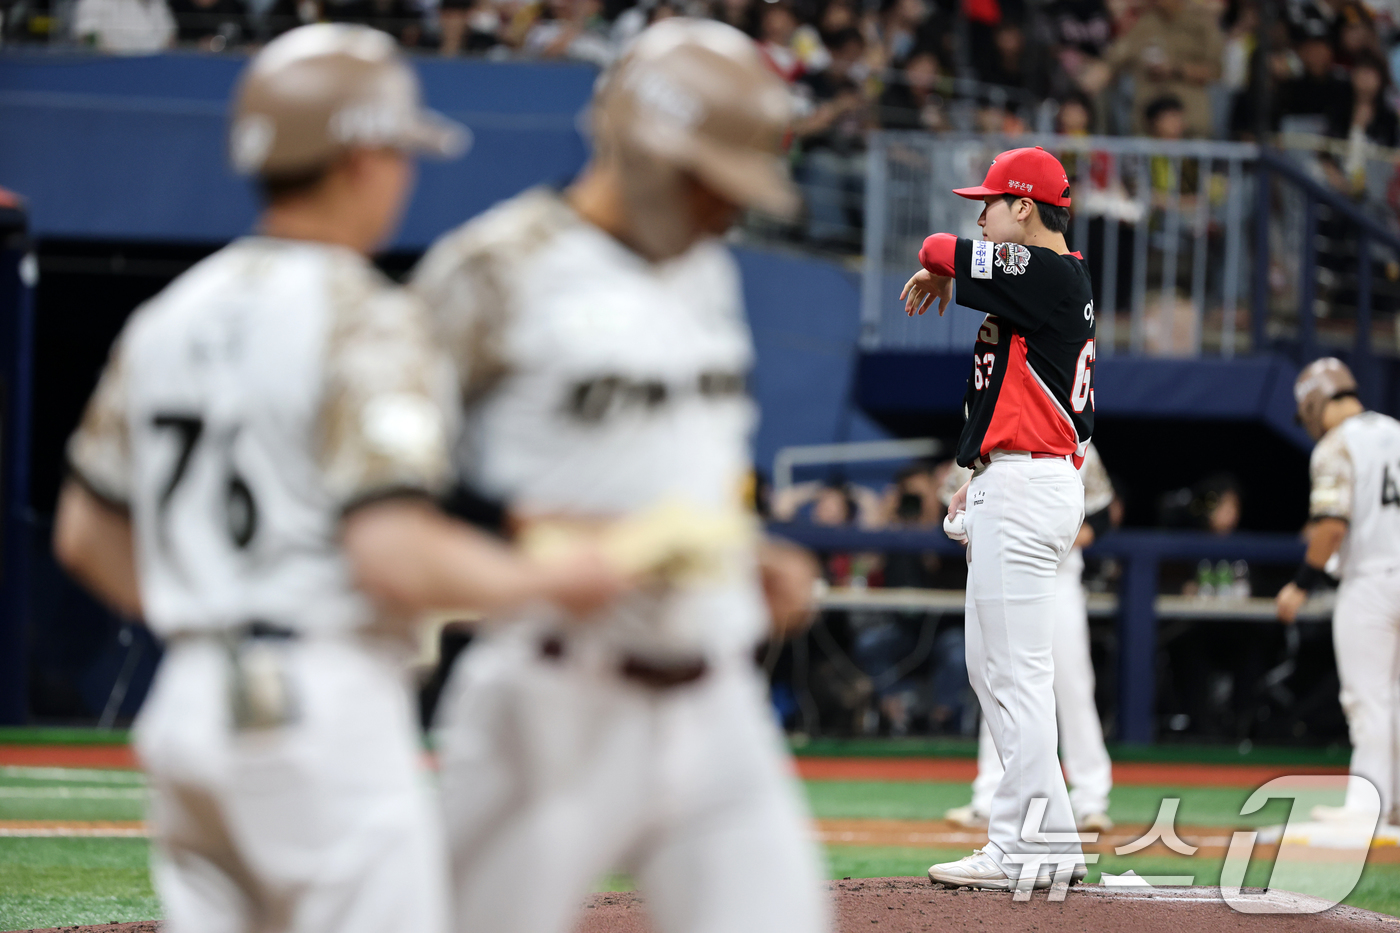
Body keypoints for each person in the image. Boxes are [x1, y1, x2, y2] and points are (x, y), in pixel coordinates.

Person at [52, 24, 622, 933]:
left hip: (190, 704)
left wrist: (217, 617)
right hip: (320, 706)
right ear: (360, 155)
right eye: (399, 151)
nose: (405, 172)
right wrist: (553, 580)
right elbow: (393, 554)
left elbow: (84, 533)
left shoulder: (170, 315)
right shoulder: (363, 315)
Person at [412, 18, 830, 933]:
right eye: (710, 183)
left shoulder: (706, 273)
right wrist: (536, 534)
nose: (729, 210)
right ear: (640, 149)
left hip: (716, 690)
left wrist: (741, 552)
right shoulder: (492, 269)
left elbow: (677, 465)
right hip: (553, 691)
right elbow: (390, 495)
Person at [901, 145, 1095, 892]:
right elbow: (1011, 388)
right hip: (1014, 478)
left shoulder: (1047, 270)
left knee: (1015, 674)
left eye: (991, 200)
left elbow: (936, 246)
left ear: (1025, 205)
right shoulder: (1039, 286)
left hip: (1031, 485)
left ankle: (1034, 844)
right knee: (997, 672)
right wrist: (976, 471)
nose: (980, 213)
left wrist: (943, 266)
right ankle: (1038, 838)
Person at [944, 443, 1115, 832]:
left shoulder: (1078, 444)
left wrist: (1063, 533)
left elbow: (1103, 515)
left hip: (1060, 574)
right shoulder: (984, 441)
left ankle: (1090, 798)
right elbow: (953, 506)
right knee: (997, 677)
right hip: (1003, 568)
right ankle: (989, 795)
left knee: (1072, 684)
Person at [1276, 358, 1400, 830]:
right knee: (1394, 696)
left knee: (1367, 698)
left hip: (1370, 581)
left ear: (1313, 402)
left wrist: (1299, 586)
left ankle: (1368, 807)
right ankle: (1393, 802)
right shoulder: (1395, 429)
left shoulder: (1336, 445)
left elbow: (1331, 524)